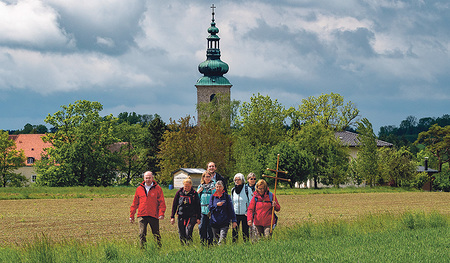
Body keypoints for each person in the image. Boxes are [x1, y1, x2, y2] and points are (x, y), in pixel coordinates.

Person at [129, 171, 166, 248]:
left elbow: (161, 202)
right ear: (144, 178)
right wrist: (131, 215)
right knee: (142, 233)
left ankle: (158, 249)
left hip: (154, 215)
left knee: (156, 234)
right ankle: (143, 250)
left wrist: (161, 213)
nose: (148, 179)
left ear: (152, 178)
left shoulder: (158, 189)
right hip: (142, 215)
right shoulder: (139, 189)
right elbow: (135, 203)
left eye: (149, 178)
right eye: (146, 178)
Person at [170, 177, 201, 245]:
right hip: (181, 215)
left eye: (188, 186)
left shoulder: (194, 194)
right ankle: (183, 247)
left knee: (188, 230)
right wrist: (172, 217)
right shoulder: (179, 192)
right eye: (185, 186)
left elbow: (198, 206)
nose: (186, 187)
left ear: (191, 186)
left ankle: (189, 245)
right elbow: (175, 204)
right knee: (181, 233)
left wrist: (198, 218)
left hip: (191, 215)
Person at [209, 180, 237, 245]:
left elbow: (231, 209)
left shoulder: (227, 197)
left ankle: (222, 251)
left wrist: (234, 220)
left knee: (221, 240)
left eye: (220, 187)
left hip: (224, 222)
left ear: (223, 188)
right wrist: (216, 205)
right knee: (215, 240)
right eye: (217, 187)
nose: (218, 188)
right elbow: (210, 208)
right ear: (215, 188)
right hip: (214, 221)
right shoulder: (212, 197)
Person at [231, 173, 253, 243]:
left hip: (245, 214)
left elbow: (251, 202)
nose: (237, 181)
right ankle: (234, 246)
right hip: (235, 214)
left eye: (239, 179)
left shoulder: (247, 189)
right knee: (234, 232)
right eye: (235, 180)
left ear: (242, 180)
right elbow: (231, 202)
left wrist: (248, 212)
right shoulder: (233, 190)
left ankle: (246, 245)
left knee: (245, 231)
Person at [197, 171, 216, 245]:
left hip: (211, 210)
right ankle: (203, 243)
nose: (208, 178)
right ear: (203, 178)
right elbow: (197, 199)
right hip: (202, 210)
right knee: (201, 227)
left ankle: (210, 244)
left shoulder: (213, 186)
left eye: (209, 176)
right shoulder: (200, 186)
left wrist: (213, 190)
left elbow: (216, 197)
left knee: (210, 228)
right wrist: (198, 192)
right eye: (206, 177)